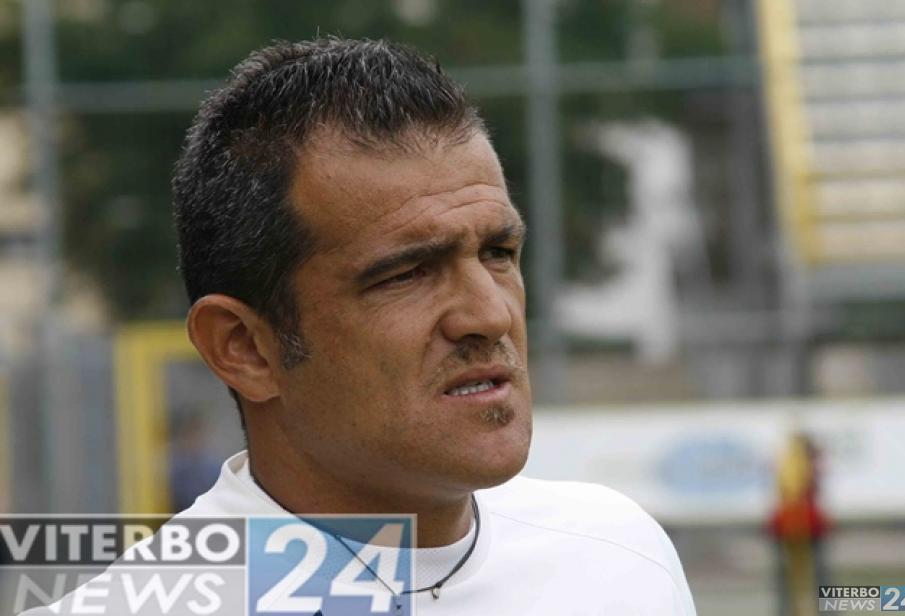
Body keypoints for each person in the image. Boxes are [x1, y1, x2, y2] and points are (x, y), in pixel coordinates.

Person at [23, 38, 696, 615]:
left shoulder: (618, 555)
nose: (490, 314)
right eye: (406, 274)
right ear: (245, 348)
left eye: (497, 252)